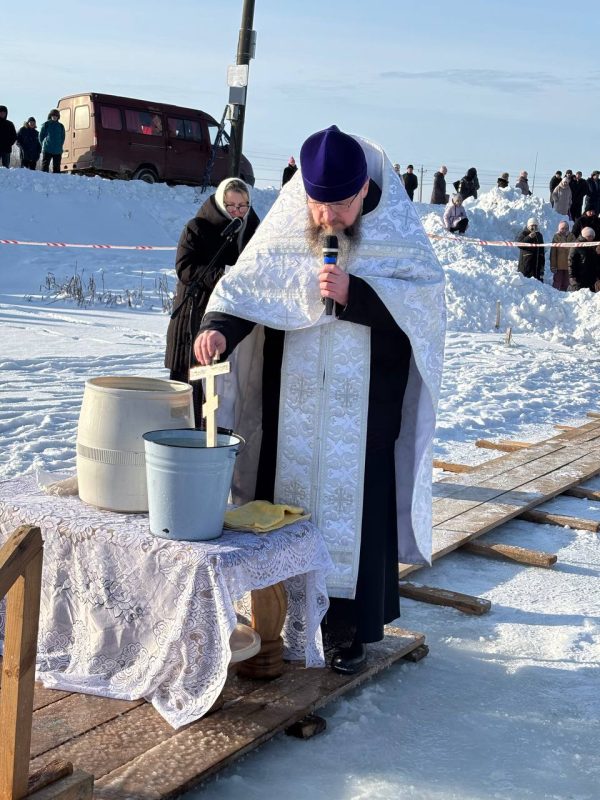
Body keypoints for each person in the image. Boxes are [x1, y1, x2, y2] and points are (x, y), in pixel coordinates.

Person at [194, 124, 445, 675]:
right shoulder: (288, 222)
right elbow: (248, 288)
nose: (327, 218)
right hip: (293, 408)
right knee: (283, 505)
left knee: (354, 516)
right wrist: (218, 329)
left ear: (363, 191)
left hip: (365, 413)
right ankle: (274, 619)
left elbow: (425, 311)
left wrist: (361, 296)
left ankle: (346, 631)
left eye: (341, 207)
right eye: (318, 205)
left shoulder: (396, 229)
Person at [164, 177, 260, 422]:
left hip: (229, 317)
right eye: (231, 206)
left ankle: (212, 432)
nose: (237, 212)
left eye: (243, 206)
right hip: (195, 313)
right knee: (188, 390)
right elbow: (185, 269)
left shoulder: (254, 231)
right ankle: (183, 433)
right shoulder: (197, 227)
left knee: (218, 391)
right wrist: (224, 275)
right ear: (219, 204)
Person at [568, 227, 600, 292]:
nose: (592, 238)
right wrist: (572, 276)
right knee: (580, 294)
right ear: (586, 236)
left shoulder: (591, 245)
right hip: (580, 276)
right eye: (590, 236)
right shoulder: (577, 246)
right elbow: (571, 261)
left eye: (593, 237)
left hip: (590, 275)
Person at [550, 220, 576, 291]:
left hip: (569, 264)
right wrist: (553, 265)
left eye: (566, 228)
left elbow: (574, 249)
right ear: (559, 229)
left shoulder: (572, 236)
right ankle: (554, 293)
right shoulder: (556, 237)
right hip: (559, 265)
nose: (564, 230)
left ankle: (563, 293)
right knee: (557, 281)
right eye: (562, 228)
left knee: (566, 282)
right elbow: (553, 253)